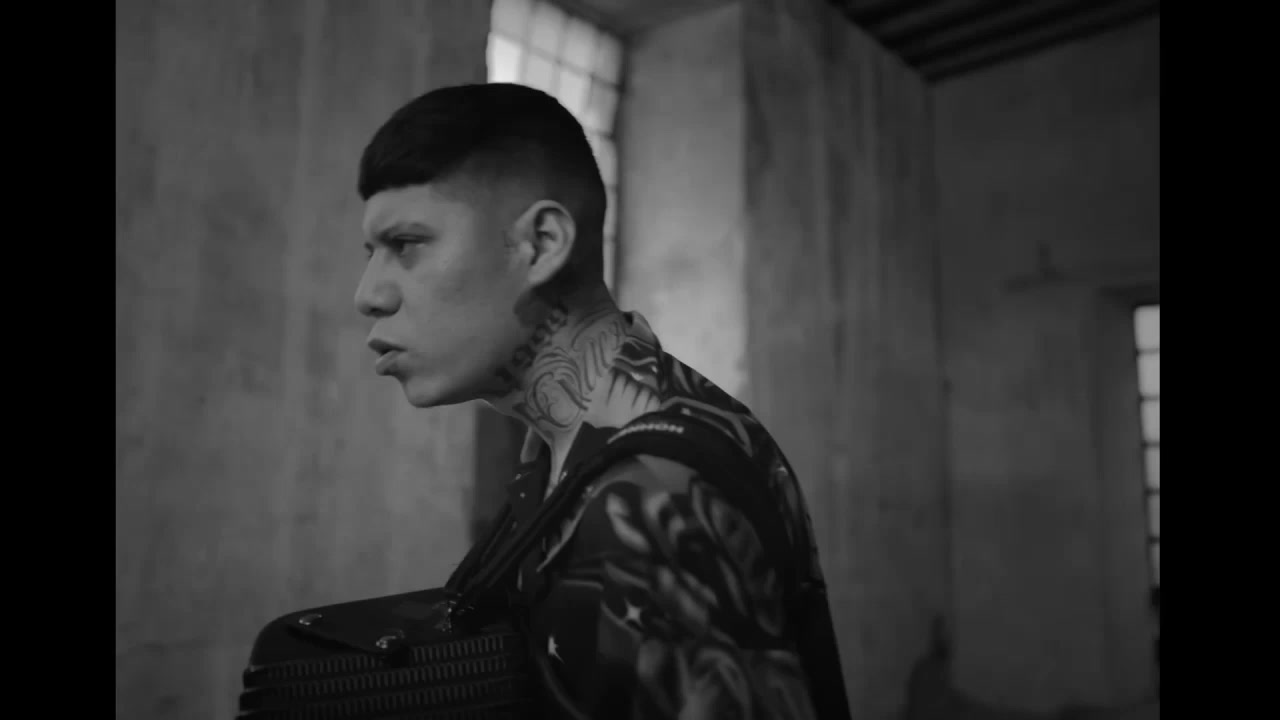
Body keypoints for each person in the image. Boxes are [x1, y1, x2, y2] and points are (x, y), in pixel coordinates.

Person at [354, 83, 847, 718]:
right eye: (371, 253)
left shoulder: (653, 492)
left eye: (406, 244)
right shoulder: (574, 446)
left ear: (542, 244)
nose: (369, 294)